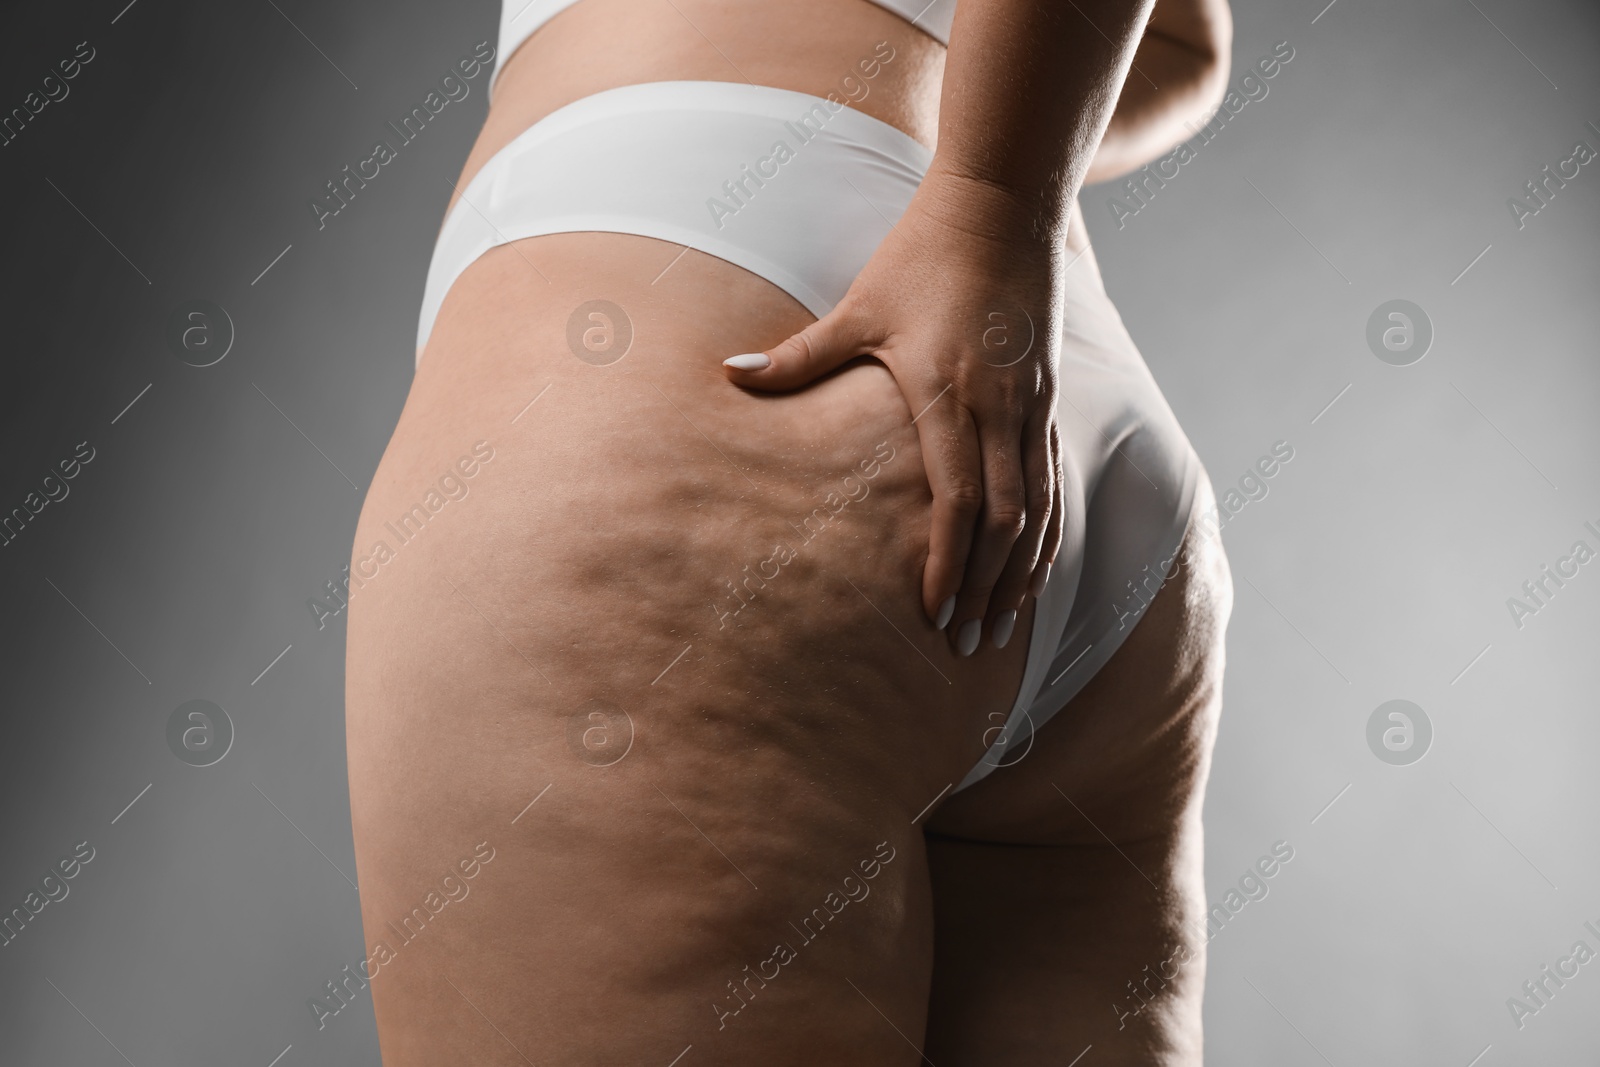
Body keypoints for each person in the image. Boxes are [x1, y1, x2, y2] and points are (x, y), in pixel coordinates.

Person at [345, 0, 1234, 1062]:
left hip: (687, 354)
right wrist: (997, 200)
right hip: (1055, 411)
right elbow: (1187, 46)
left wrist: (985, 206)